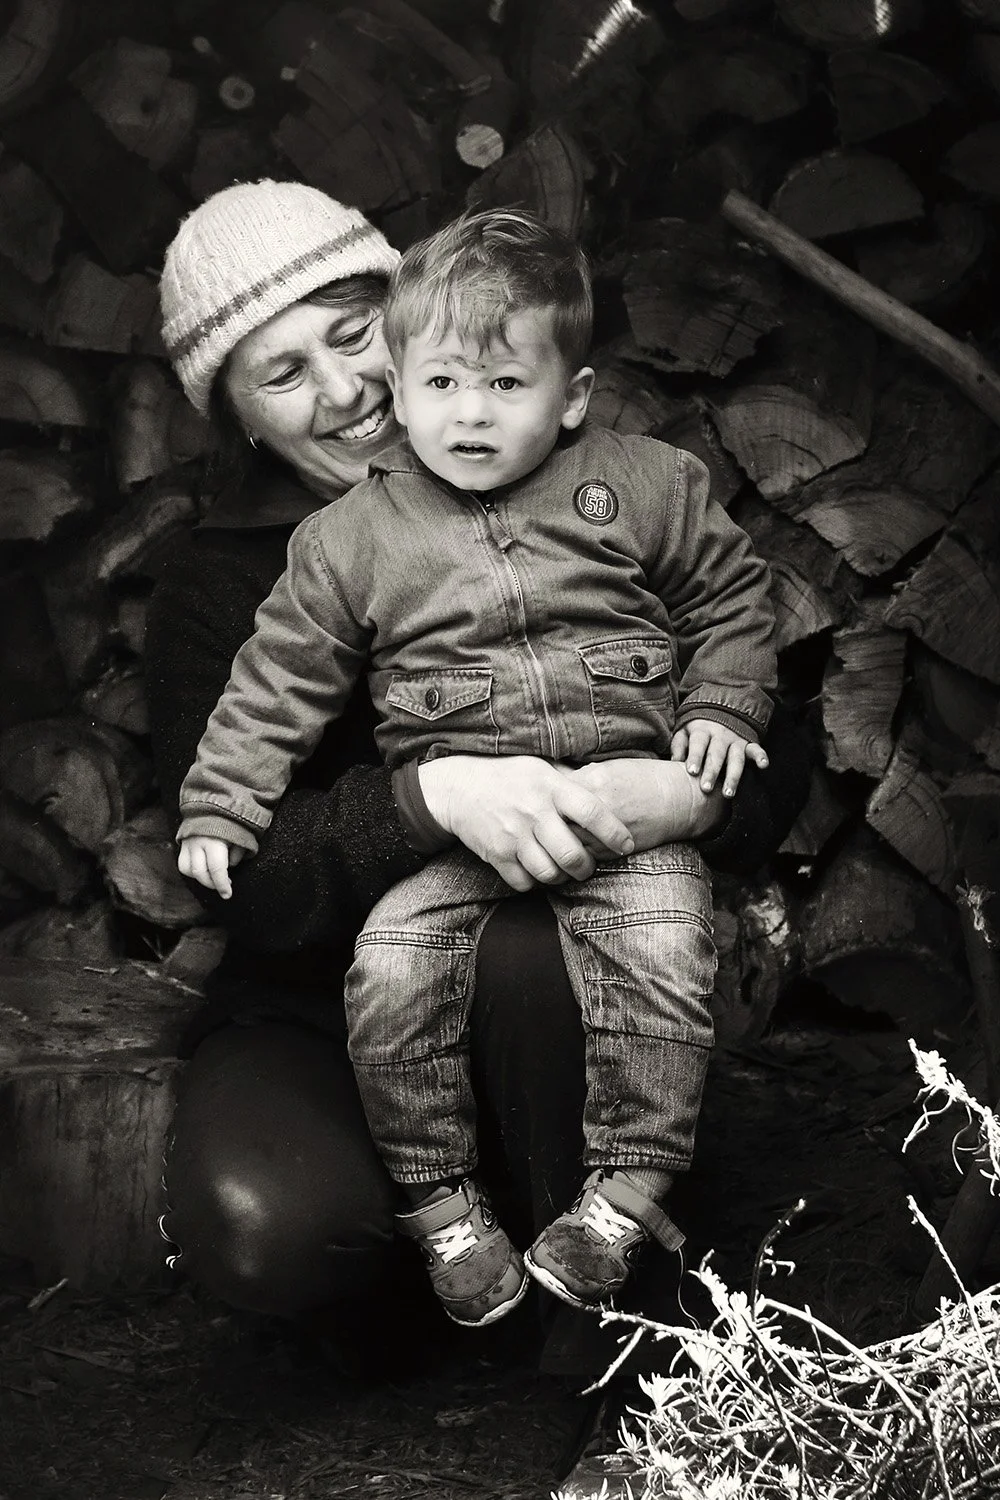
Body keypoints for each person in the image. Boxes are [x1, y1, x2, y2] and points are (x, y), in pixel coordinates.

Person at [149, 179, 809, 1496]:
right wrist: (425, 798)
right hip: (318, 998)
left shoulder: (591, 482)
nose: (340, 391)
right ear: (233, 414)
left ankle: (613, 1303)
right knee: (271, 1230)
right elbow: (245, 876)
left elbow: (759, 716)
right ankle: (443, 1251)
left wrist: (684, 791)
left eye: (353, 338)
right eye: (281, 374)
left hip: (559, 959)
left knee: (524, 948)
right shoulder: (224, 578)